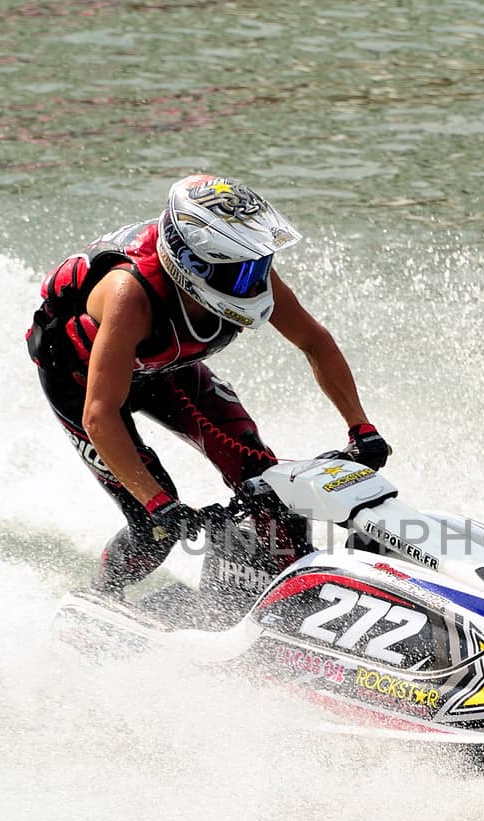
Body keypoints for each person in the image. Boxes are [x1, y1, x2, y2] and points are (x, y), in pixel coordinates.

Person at [26, 174, 390, 596]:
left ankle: (284, 596)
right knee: (153, 528)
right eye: (240, 271)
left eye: (258, 264)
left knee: (262, 482)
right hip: (80, 378)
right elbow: (99, 414)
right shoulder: (131, 296)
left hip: (164, 367)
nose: (254, 281)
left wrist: (361, 427)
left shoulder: (250, 276)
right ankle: (97, 600)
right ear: (192, 264)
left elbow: (313, 341)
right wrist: (161, 506)